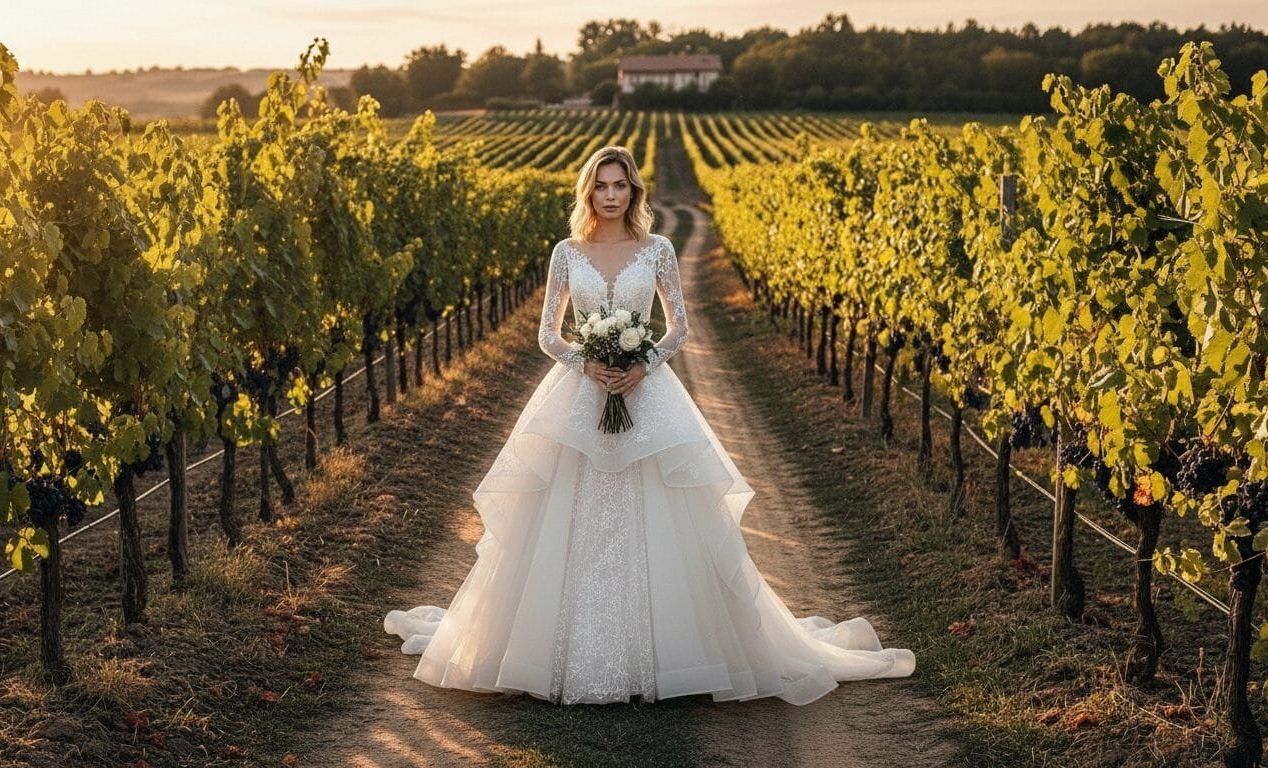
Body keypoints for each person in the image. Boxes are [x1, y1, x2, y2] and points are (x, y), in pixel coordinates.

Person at [384, 145, 915, 705]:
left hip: (645, 392)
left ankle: (670, 652)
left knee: (662, 508)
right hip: (582, 393)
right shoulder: (566, 252)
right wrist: (585, 363)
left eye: (620, 186)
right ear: (588, 192)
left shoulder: (658, 250)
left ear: (634, 192)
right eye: (601, 186)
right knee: (567, 508)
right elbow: (548, 334)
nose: (610, 196)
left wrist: (642, 366)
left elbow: (677, 328)